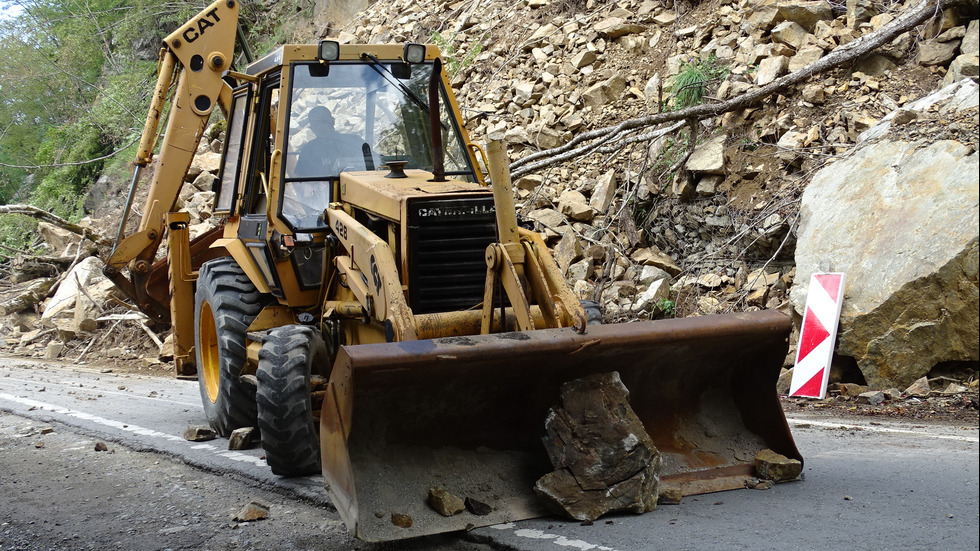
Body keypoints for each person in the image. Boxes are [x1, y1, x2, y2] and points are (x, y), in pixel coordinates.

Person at [293, 106, 365, 176]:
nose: (319, 127)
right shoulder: (308, 151)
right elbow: (300, 181)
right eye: (315, 124)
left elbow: (372, 165)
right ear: (312, 128)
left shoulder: (354, 141)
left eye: (323, 122)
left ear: (332, 121)